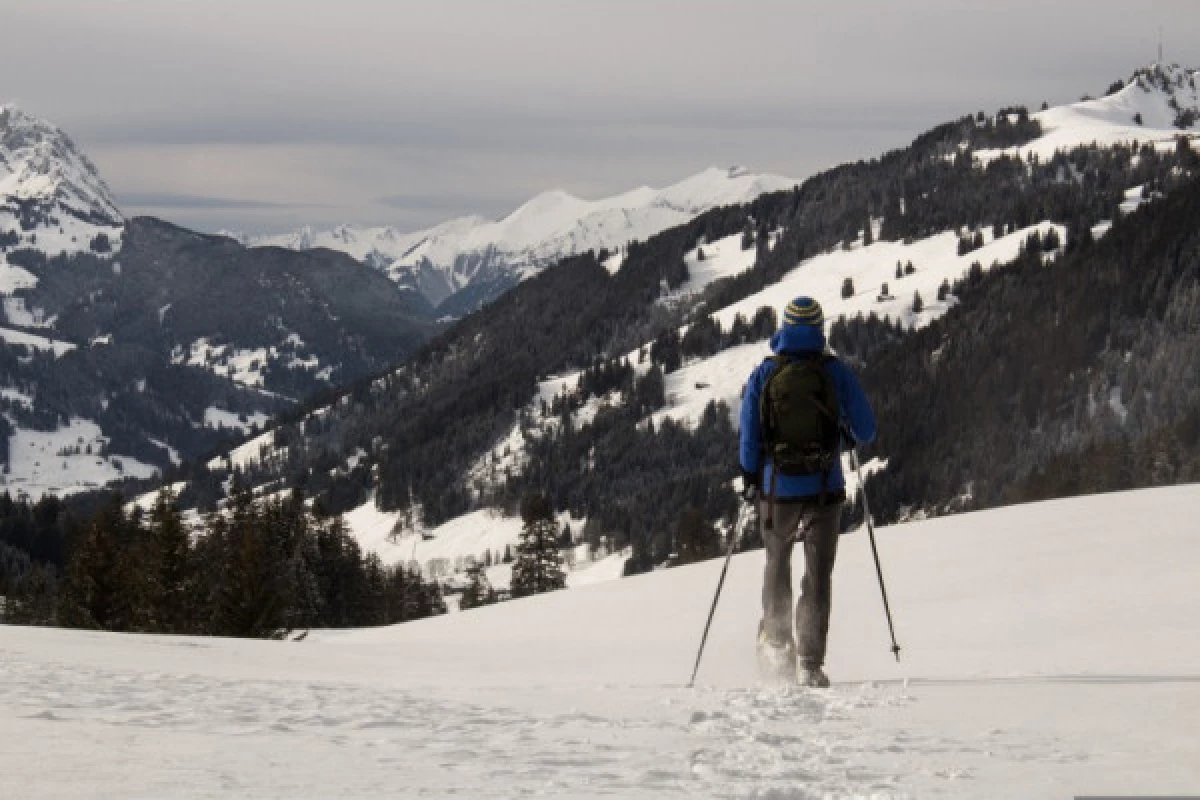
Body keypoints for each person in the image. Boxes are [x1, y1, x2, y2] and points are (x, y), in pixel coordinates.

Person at [739, 296, 876, 687]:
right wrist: (843, 436)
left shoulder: (765, 373)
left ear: (783, 327)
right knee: (817, 576)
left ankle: (776, 645)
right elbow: (867, 431)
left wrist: (750, 476)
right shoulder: (835, 372)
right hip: (824, 490)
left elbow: (750, 437)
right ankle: (811, 663)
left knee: (776, 562)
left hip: (776, 490)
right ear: (820, 329)